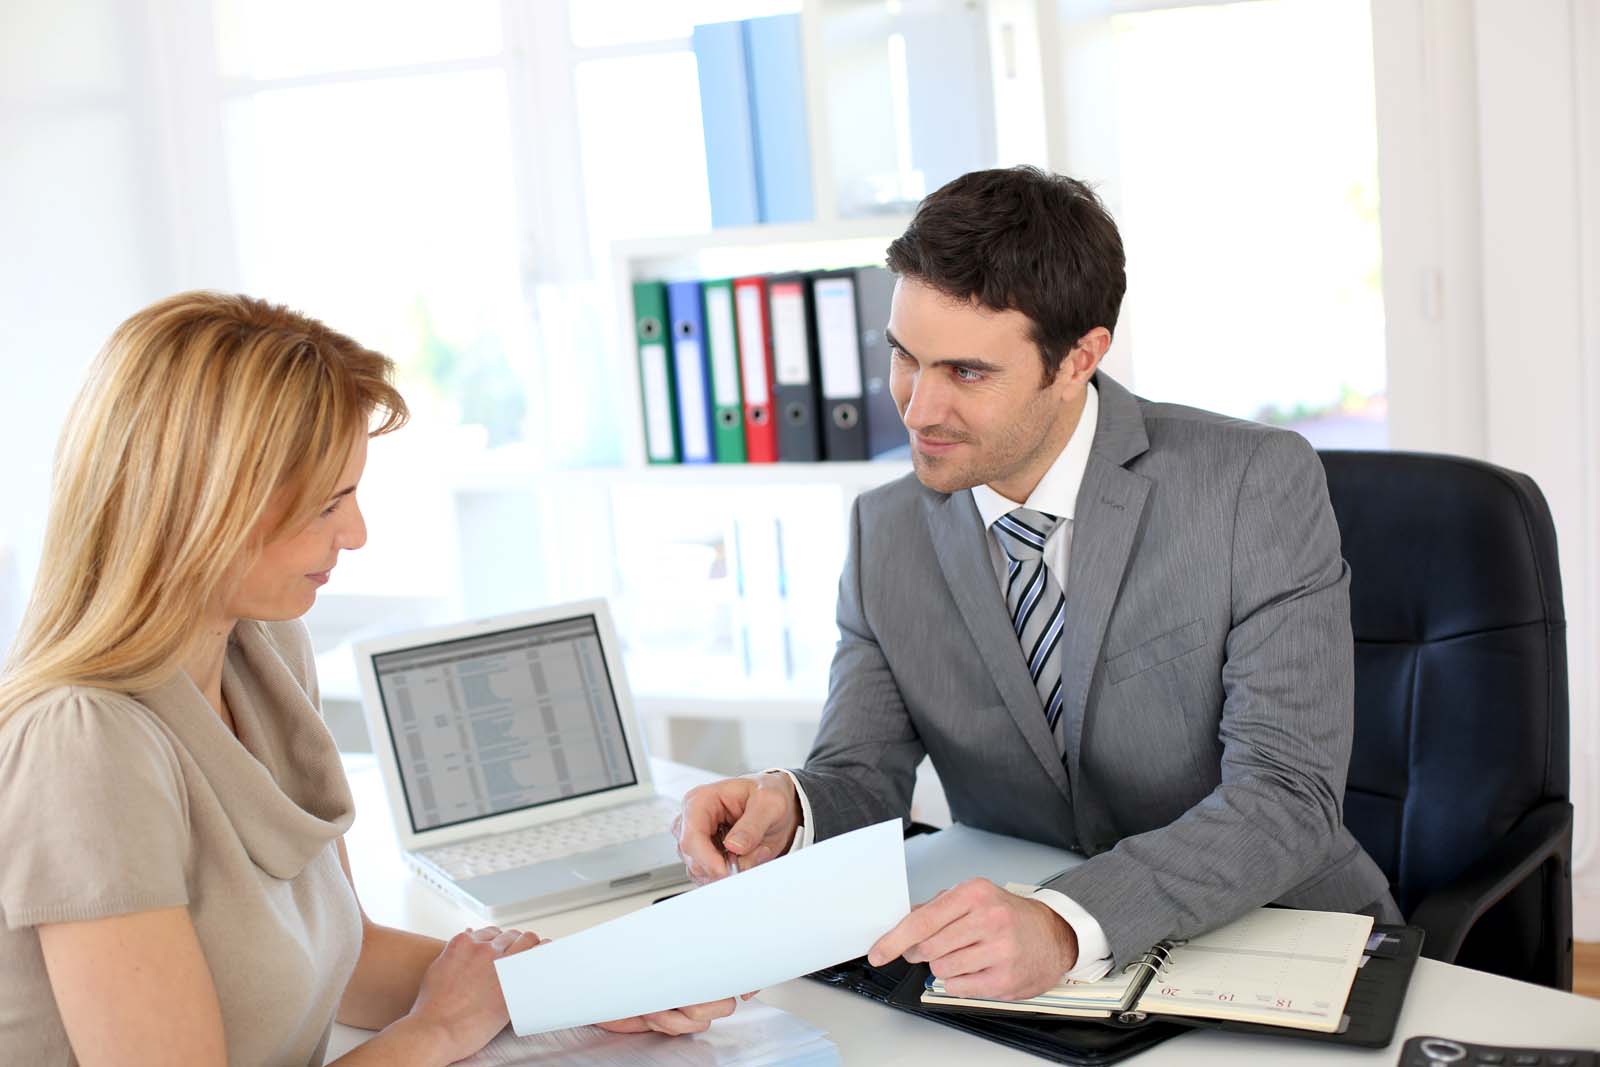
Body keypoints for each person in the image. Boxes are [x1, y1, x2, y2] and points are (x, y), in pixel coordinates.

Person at [675, 166, 1400, 1002]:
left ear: (1080, 359)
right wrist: (788, 806)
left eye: (968, 373)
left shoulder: (1250, 487)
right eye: (905, 357)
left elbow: (1286, 797)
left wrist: (1066, 922)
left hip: (1268, 941)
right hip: (1021, 970)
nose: (917, 409)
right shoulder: (887, 531)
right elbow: (863, 771)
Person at [0, 293, 734, 1066]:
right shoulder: (83, 746)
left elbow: (343, 960)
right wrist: (438, 1029)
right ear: (201, 510)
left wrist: (579, 984)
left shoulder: (264, 648)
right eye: (328, 504)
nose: (355, 533)